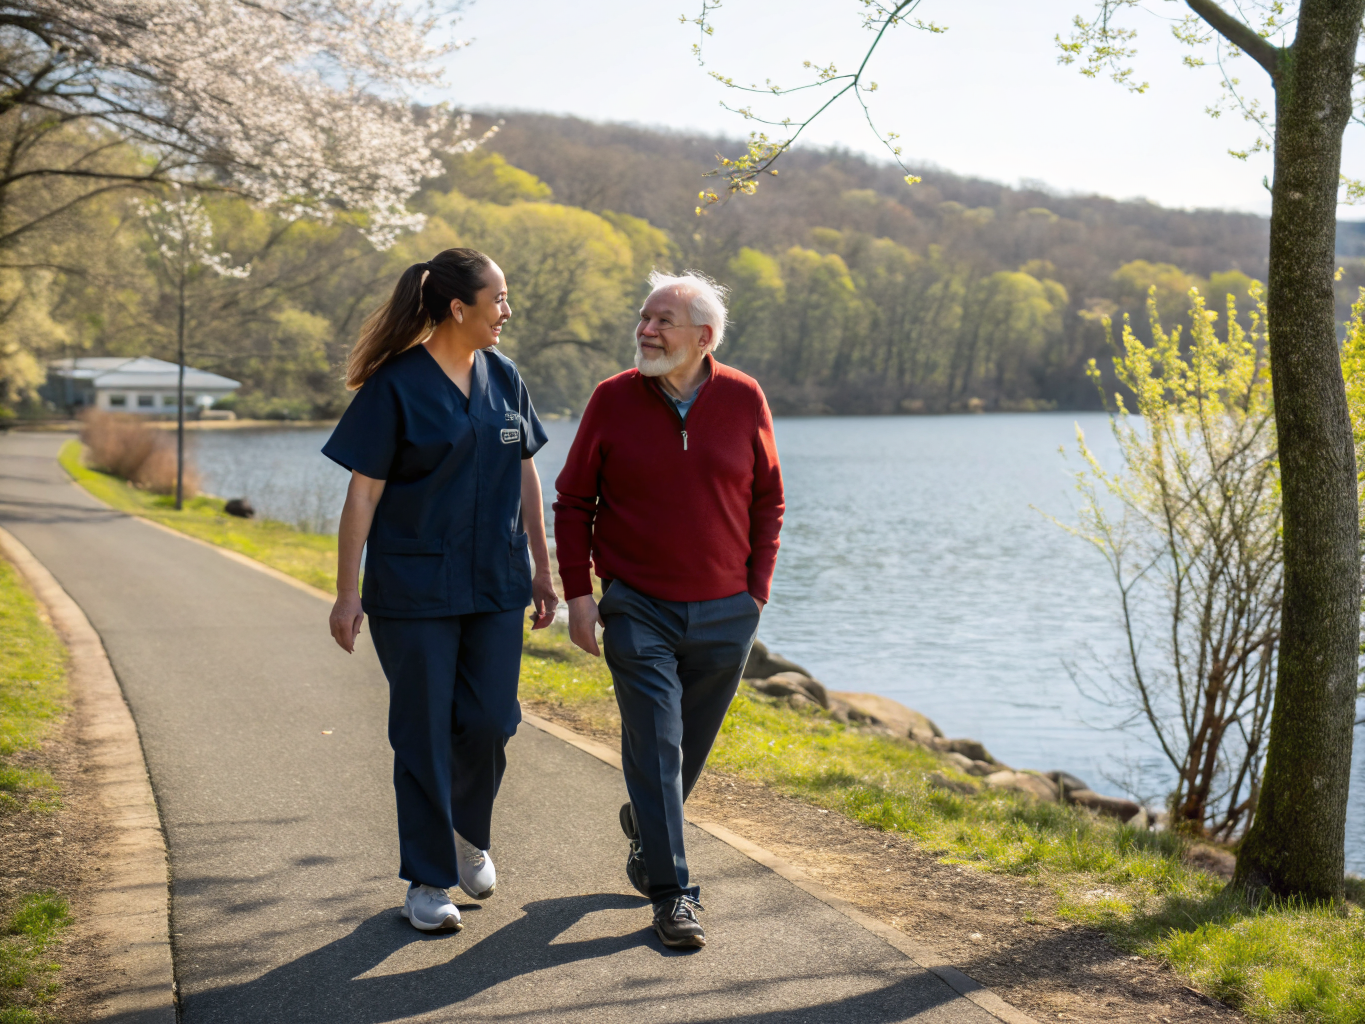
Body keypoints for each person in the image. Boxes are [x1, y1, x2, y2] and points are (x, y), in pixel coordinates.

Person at [324, 248, 557, 933]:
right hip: (412, 586)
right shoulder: (395, 385)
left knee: (491, 721)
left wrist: (544, 569)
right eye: (499, 300)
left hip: (495, 583)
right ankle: (427, 880)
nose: (507, 313)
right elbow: (362, 493)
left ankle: (466, 833)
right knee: (422, 732)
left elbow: (524, 474)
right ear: (460, 307)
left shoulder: (504, 376)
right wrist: (346, 593)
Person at [554, 270, 784, 949]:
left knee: (684, 756)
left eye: (662, 321)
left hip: (725, 613)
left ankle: (647, 825)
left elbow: (768, 499)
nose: (645, 330)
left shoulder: (743, 398)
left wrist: (755, 591)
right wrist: (578, 595)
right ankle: (673, 895)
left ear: (702, 337)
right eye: (643, 318)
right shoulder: (612, 399)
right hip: (637, 608)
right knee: (657, 742)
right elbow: (572, 503)